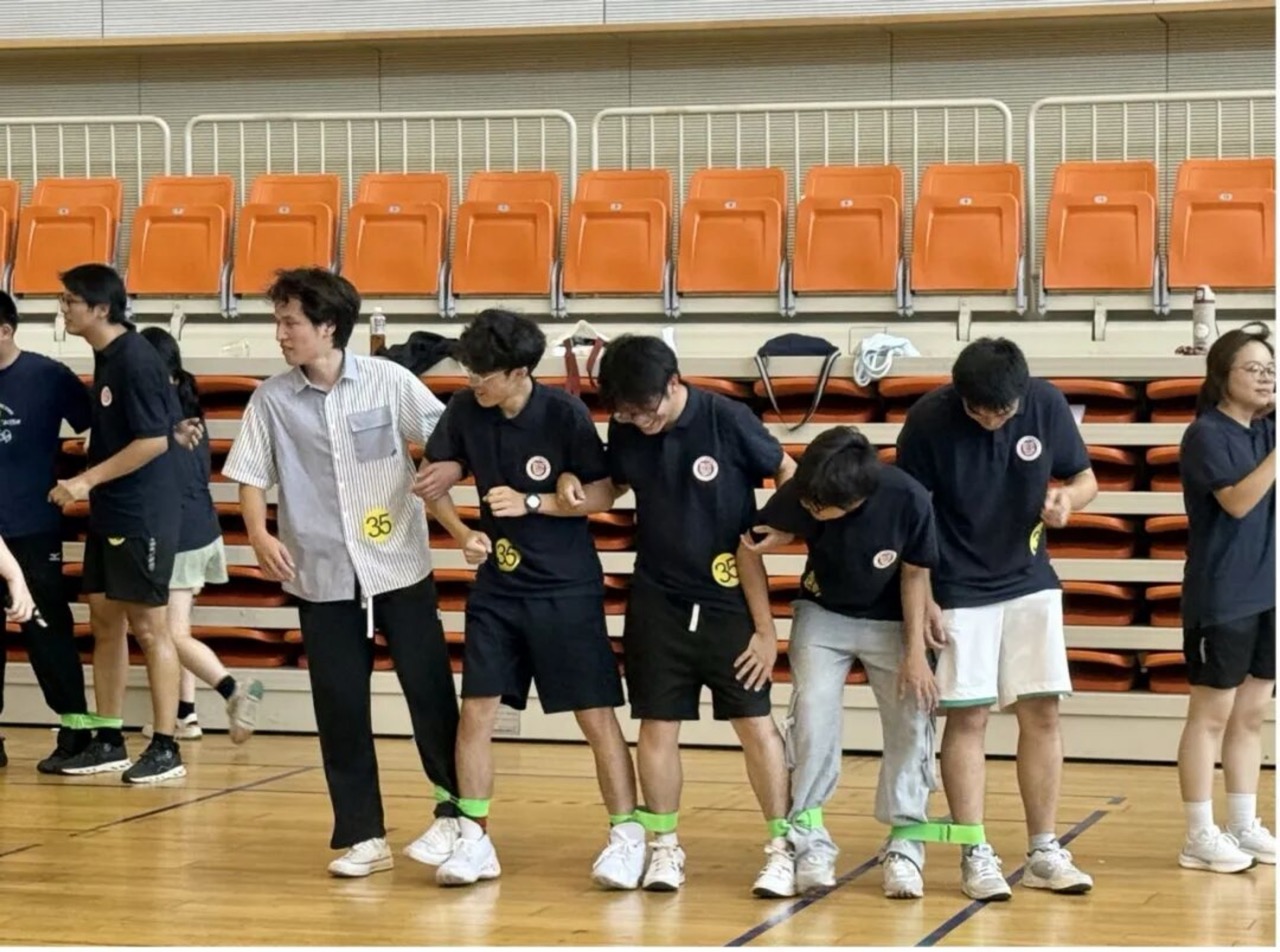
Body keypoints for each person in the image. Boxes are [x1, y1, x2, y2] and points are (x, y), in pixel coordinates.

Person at [221, 267, 462, 878]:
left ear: (328, 326)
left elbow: (447, 438)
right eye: (278, 322)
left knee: (430, 694)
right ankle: (363, 834)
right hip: (321, 574)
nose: (281, 334)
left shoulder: (390, 380)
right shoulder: (271, 399)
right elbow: (249, 475)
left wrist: (449, 474)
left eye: (290, 323)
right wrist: (259, 533)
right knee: (340, 707)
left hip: (399, 567)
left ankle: (458, 813)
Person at [556, 334, 799, 897]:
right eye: (627, 414)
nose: (640, 422)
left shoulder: (726, 418)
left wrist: (781, 529)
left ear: (673, 383)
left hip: (728, 594)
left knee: (754, 722)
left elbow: (787, 469)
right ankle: (664, 846)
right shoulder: (627, 427)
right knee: (657, 723)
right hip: (657, 597)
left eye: (647, 410)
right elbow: (610, 488)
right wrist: (572, 488)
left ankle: (782, 846)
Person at [413, 309, 642, 889]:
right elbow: (431, 482)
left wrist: (540, 500)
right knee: (477, 712)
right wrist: (462, 532)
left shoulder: (563, 413)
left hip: (566, 587)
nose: (473, 383)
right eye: (469, 372)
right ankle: (474, 838)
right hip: (498, 588)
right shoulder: (465, 410)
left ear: (519, 372)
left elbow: (605, 492)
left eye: (483, 374)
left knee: (596, 715)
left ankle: (626, 836)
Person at [895, 337, 1096, 901]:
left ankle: (1044, 849)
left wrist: (1068, 501)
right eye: (978, 411)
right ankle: (974, 850)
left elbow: (1085, 479)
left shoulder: (1046, 403)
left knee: (1043, 712)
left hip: (1030, 578)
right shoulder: (928, 420)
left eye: (1001, 412)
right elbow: (910, 515)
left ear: (1021, 395)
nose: (990, 421)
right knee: (970, 718)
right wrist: (926, 597)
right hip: (958, 585)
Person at [743, 426, 940, 899]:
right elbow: (749, 546)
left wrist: (916, 654)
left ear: (856, 500)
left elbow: (915, 575)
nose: (810, 509)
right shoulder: (806, 490)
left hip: (892, 620)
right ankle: (809, 840)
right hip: (823, 614)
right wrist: (767, 626)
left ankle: (906, 844)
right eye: (807, 503)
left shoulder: (908, 498)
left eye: (819, 508)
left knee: (912, 718)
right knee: (812, 713)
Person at [47, 264, 190, 784]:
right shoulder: (107, 356)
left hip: (142, 513)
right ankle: (109, 738)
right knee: (104, 619)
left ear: (101, 308)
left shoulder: (135, 359)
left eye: (70, 301)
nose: (63, 309)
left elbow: (154, 441)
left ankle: (167, 744)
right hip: (112, 511)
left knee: (150, 628)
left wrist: (85, 481)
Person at [1174, 326, 1275, 873]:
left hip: (1267, 592)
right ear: (1222, 377)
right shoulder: (1206, 435)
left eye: (1270, 368)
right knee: (1211, 716)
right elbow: (1236, 502)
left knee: (1252, 715)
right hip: (1221, 595)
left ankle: (1242, 822)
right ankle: (1198, 833)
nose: (1265, 377)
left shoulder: (1266, 429)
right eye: (1253, 369)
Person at [138, 327, 264, 745]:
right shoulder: (186, 401)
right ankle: (185, 715)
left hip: (178, 534)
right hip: (202, 529)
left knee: (170, 634)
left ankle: (232, 689)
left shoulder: (158, 411)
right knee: (180, 627)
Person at [0, 290, 95, 772]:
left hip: (32, 528)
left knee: (46, 630)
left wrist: (81, 483)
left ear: (5, 331)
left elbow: (98, 428)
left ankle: (77, 731)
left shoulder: (47, 376)